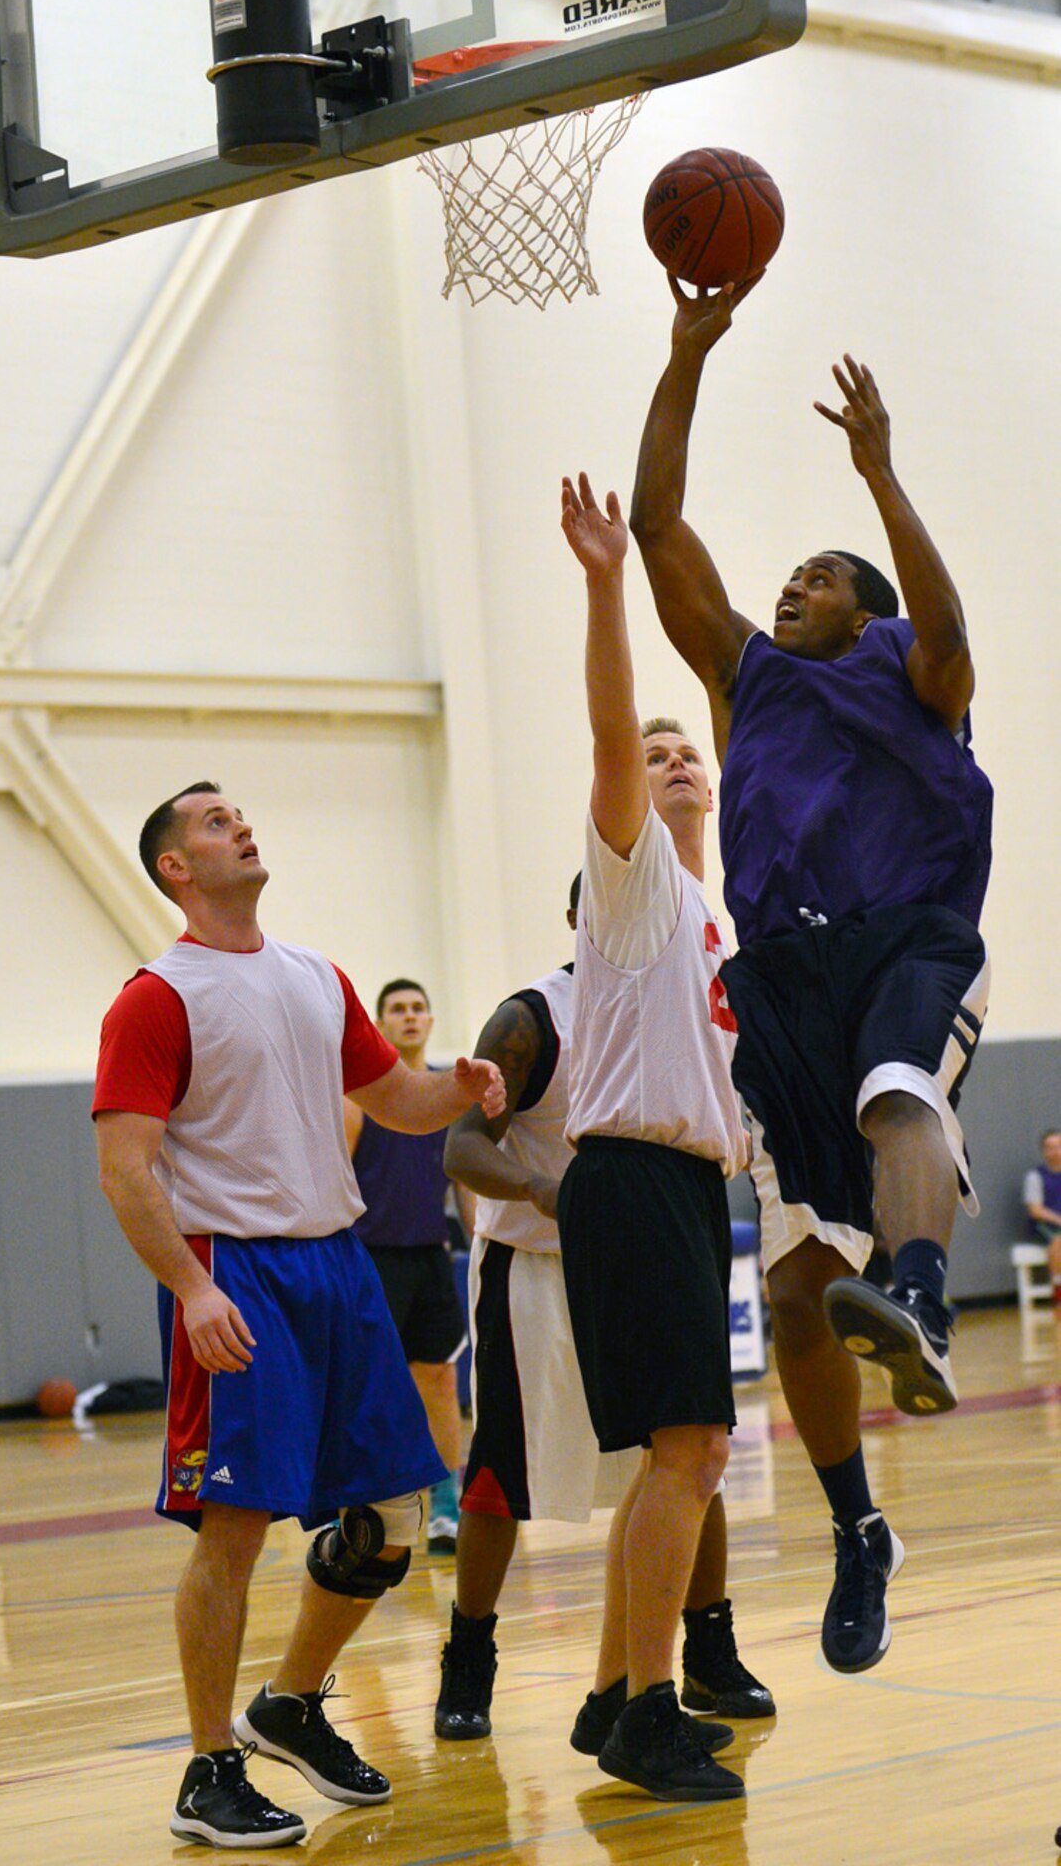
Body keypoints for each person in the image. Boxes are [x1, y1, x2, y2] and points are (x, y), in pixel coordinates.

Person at [627, 279, 993, 1677]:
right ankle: (856, 1531)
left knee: (899, 1092)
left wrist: (879, 476)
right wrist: (684, 355)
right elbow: (662, 531)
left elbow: (946, 630)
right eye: (790, 575)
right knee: (786, 1293)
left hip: (903, 936)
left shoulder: (914, 669)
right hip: (779, 976)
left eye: (821, 575)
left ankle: (915, 1291)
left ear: (871, 608)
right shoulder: (749, 676)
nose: (792, 585)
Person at [93, 782, 504, 1849]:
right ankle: (206, 1767)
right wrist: (192, 1286)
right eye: (214, 820)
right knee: (233, 1532)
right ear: (176, 866)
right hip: (240, 1274)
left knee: (393, 1522)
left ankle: (289, 1699)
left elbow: (396, 1101)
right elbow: (125, 1167)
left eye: (240, 812)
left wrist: (456, 1082)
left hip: (341, 1265)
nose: (241, 824)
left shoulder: (318, 975)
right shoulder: (154, 996)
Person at [434, 874, 773, 1748]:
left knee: (689, 1441)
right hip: (537, 1260)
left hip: (644, 1249)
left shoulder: (690, 1010)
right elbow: (464, 1146)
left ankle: (705, 1648)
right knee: (500, 1470)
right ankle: (468, 1655)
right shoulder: (534, 1016)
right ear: (581, 919)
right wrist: (549, 1191)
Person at [544, 473, 752, 1805]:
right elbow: (613, 726)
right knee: (686, 1452)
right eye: (660, 753)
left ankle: (619, 1692)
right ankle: (645, 1713)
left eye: (694, 752)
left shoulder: (717, 921)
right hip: (628, 1176)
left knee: (680, 1455)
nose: (673, 759)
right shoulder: (635, 885)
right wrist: (609, 582)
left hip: (678, 1189)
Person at [346, 977, 473, 1553]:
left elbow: (465, 1185)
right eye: (398, 1009)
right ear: (380, 1023)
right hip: (371, 1260)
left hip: (430, 1258)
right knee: (366, 1387)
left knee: (441, 1381)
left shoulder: (449, 1095)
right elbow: (335, 1180)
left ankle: (446, 1505)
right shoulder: (359, 1101)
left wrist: (480, 1245)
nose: (411, 1016)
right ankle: (352, 1503)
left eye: (419, 1007)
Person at [1023, 1128, 1061, 1306]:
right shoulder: (1036, 1176)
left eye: (1058, 1146)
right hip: (1045, 1225)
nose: (1055, 1151)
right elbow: (1036, 1210)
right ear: (1044, 1150)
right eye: (1050, 1147)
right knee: (1058, 1241)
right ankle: (1058, 1289)